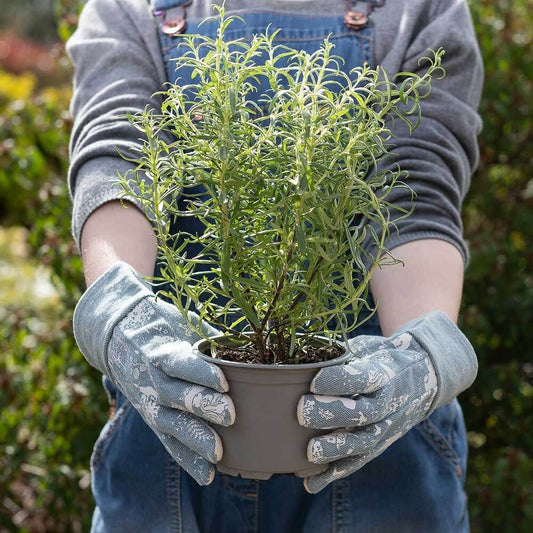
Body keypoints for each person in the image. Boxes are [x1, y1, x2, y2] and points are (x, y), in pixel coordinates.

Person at [67, 0, 483, 531]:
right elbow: (120, 157)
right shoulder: (128, 7)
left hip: (381, 444)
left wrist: (424, 352)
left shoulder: (422, 8)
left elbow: (415, 188)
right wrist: (120, 309)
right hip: (170, 423)